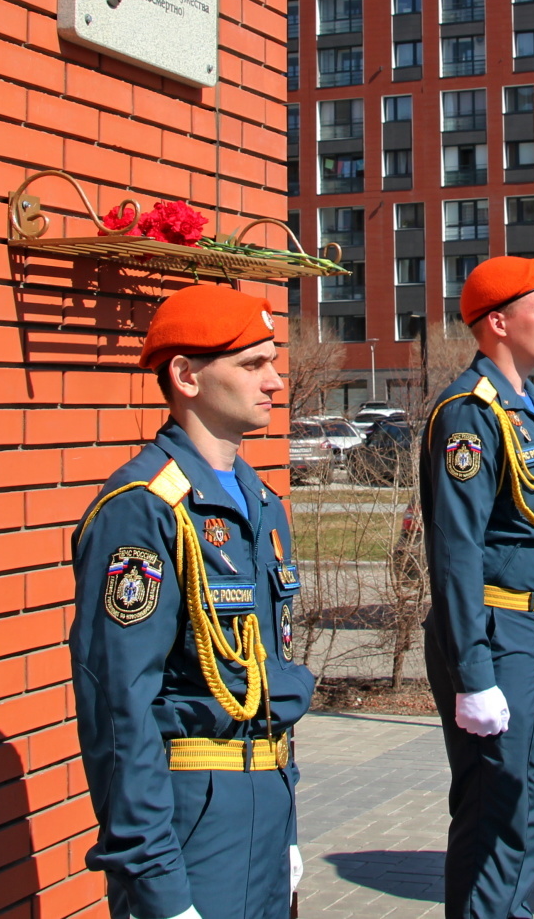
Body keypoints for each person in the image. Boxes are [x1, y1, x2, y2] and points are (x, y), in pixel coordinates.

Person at [70, 284, 314, 919]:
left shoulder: (261, 505)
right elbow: (119, 711)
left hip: (266, 804)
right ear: (186, 376)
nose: (275, 383)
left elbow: (268, 679)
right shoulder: (144, 509)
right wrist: (156, 883)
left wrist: (285, 832)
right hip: (192, 822)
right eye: (252, 364)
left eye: (273, 363)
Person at [419, 256, 534, 919]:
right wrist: (474, 672)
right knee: (495, 817)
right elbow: (456, 551)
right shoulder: (469, 414)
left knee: (528, 811)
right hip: (499, 631)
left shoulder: (530, 406)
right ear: (498, 322)